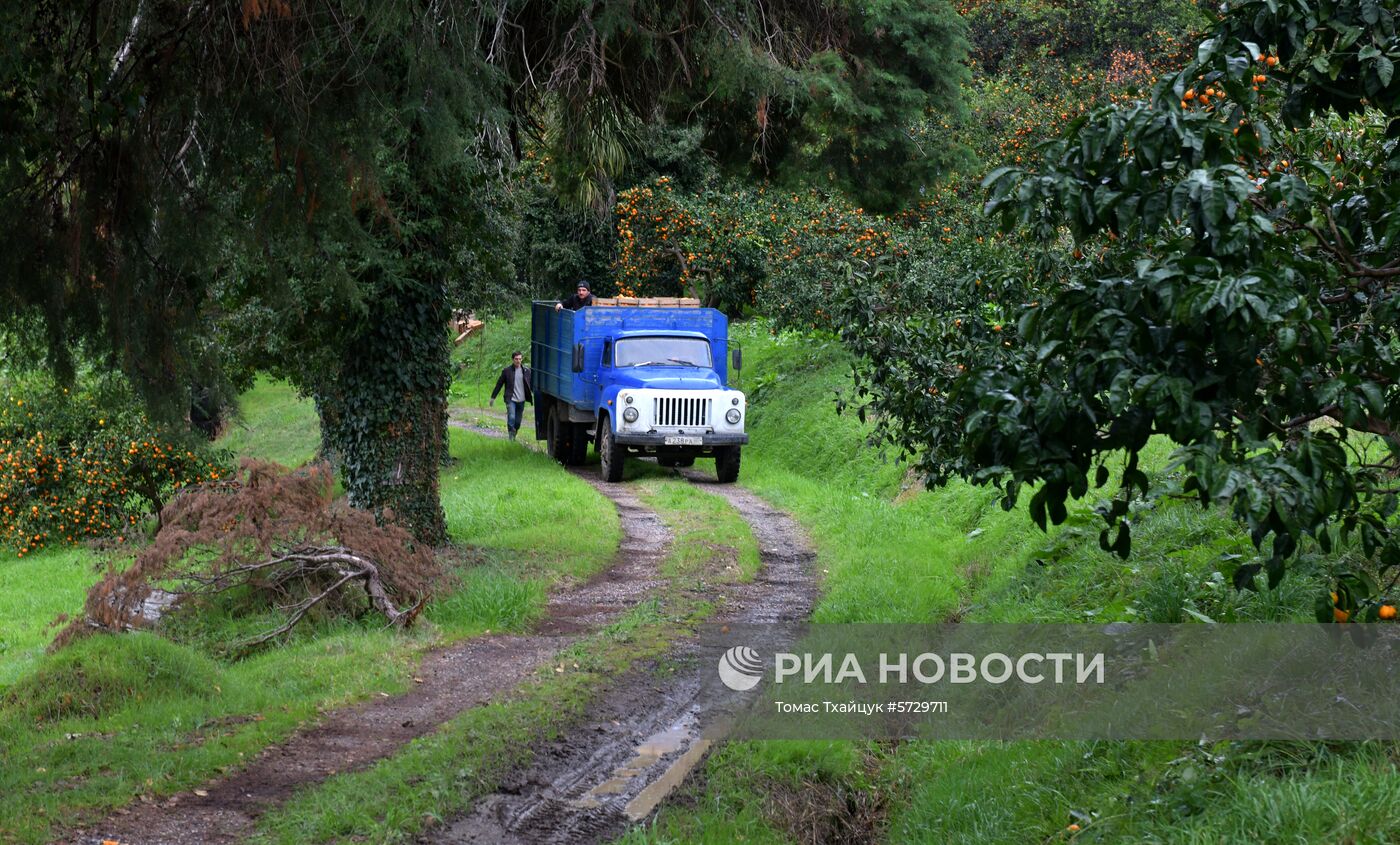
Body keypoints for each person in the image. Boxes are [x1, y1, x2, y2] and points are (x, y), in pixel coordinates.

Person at [490, 351, 533, 440]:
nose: (518, 361)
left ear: (522, 359)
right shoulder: (507, 371)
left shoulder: (527, 371)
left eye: (520, 359)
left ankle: (514, 432)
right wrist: (493, 397)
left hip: (521, 400)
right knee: (511, 417)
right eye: (516, 359)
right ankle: (511, 437)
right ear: (513, 359)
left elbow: (531, 384)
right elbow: (499, 384)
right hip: (511, 399)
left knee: (518, 422)